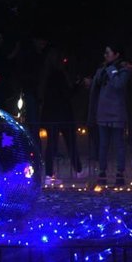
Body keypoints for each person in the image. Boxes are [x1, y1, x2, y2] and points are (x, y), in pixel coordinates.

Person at [89, 42, 131, 186]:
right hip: (102, 113)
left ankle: (120, 174)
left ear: (116, 54)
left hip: (117, 113)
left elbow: (118, 84)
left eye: (108, 53)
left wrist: (112, 70)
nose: (105, 55)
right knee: (103, 145)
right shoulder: (102, 69)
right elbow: (95, 87)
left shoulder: (123, 69)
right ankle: (102, 173)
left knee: (119, 144)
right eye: (105, 53)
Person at [40, 46, 84, 182]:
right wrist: (77, 85)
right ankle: (78, 170)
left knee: (52, 145)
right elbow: (67, 94)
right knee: (70, 142)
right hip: (63, 114)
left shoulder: (47, 75)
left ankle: (49, 174)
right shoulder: (59, 75)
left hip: (51, 115)